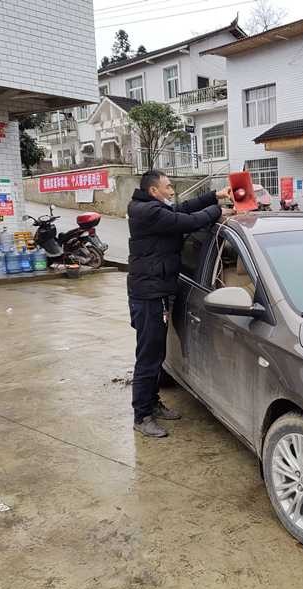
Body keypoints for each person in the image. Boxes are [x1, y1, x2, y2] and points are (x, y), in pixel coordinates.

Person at [127, 170, 234, 438]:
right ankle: (142, 415)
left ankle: (152, 403)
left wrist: (215, 196)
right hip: (149, 295)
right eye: (168, 186)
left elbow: (183, 209)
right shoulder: (149, 212)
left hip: (157, 289)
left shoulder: (152, 207)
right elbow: (186, 220)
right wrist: (218, 211)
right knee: (149, 357)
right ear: (154, 191)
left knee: (157, 355)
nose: (172, 190)